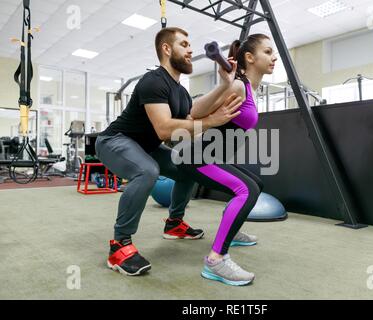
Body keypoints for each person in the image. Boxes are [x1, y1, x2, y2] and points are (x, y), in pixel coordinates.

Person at [95, 27, 256, 276]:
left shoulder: (180, 91)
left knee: (186, 166)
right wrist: (213, 121)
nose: (190, 49)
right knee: (147, 171)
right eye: (184, 44)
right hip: (115, 141)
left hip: (145, 146)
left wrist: (224, 84)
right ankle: (120, 244)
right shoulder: (153, 81)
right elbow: (164, 129)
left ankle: (174, 223)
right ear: (166, 49)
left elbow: (191, 117)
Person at [175, 34, 277, 285]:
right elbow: (195, 112)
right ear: (250, 58)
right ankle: (216, 261)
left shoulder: (251, 87)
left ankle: (231, 230)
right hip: (198, 157)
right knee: (246, 190)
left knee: (256, 184)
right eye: (268, 52)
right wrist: (224, 84)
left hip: (211, 156)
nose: (274, 57)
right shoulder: (238, 85)